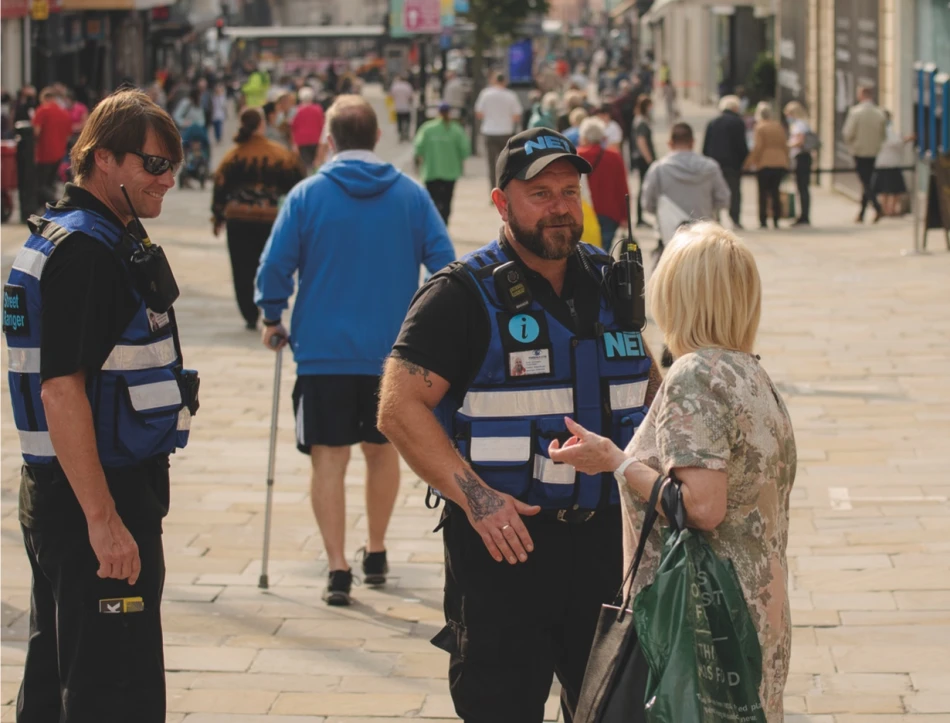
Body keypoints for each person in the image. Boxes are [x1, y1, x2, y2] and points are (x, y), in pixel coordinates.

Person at [377, 127, 663, 723]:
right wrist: (479, 501)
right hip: (507, 552)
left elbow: (650, 383)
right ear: (502, 203)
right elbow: (398, 407)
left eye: (569, 190)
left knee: (614, 711)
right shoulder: (460, 294)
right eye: (540, 194)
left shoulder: (611, 280)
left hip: (607, 550)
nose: (560, 206)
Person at [546, 221, 796, 723]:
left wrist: (615, 461)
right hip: (756, 610)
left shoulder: (695, 374)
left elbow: (702, 507)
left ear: (680, 296)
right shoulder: (751, 373)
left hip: (699, 624)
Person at [4, 89, 188, 722]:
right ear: (103, 159)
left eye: (173, 166)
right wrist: (104, 520)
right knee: (115, 689)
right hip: (98, 492)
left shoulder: (70, 235)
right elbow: (61, 390)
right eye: (153, 164)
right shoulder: (88, 253)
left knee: (60, 672)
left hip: (63, 489)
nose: (167, 180)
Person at [255, 95, 455, 606]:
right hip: (393, 354)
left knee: (328, 459)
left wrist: (272, 314)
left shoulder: (305, 196)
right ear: (375, 139)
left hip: (322, 352)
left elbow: (274, 266)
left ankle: (338, 566)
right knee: (381, 452)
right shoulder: (410, 196)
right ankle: (378, 549)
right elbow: (444, 262)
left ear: (328, 140)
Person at [212, 108, 304, 330]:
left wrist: (217, 216)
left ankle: (249, 314)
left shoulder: (232, 156)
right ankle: (266, 305)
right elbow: (297, 184)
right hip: (268, 218)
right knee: (267, 262)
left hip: (238, 218)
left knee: (241, 267)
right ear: (261, 125)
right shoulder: (279, 154)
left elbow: (220, 186)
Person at [641, 122, 730, 247]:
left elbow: (647, 204)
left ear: (670, 143)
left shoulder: (659, 169)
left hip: (670, 240)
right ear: (693, 142)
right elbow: (724, 199)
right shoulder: (710, 167)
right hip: (704, 238)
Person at [414, 101, 471, 225]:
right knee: (447, 200)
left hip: (431, 170)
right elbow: (465, 150)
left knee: (432, 200)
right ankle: (444, 223)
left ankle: (433, 224)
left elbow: (418, 148)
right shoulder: (457, 129)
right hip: (450, 171)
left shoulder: (427, 128)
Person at [577, 117, 630, 247]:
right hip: (609, 213)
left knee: (584, 253)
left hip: (584, 211)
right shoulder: (614, 156)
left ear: (584, 137)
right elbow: (622, 188)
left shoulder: (576, 156)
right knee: (604, 255)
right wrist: (625, 216)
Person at [702, 95, 749, 229]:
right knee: (734, 191)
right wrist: (743, 160)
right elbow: (741, 145)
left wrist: (705, 160)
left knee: (713, 191)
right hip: (732, 164)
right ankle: (735, 219)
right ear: (735, 107)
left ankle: (715, 217)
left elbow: (706, 145)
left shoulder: (712, 122)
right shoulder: (738, 122)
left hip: (714, 163)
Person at [842, 85, 887, 224]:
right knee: (867, 181)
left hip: (859, 151)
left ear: (861, 95)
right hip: (873, 151)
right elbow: (883, 135)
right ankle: (862, 213)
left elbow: (848, 133)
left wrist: (852, 145)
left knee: (866, 182)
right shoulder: (879, 113)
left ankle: (877, 207)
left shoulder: (856, 112)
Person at [474, 73, 524, 192]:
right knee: (506, 164)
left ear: (493, 80)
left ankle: (493, 190)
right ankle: (504, 189)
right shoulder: (511, 95)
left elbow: (479, 113)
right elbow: (517, 116)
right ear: (505, 81)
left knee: (491, 164)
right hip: (506, 132)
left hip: (489, 131)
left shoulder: (485, 94)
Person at [744, 102, 789, 230]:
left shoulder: (760, 127)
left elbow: (758, 147)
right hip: (780, 162)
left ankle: (763, 220)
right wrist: (786, 161)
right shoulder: (778, 126)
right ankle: (776, 219)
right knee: (775, 192)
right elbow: (784, 145)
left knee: (763, 193)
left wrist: (749, 162)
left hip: (764, 163)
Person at [32, 87, 73, 206]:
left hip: (43, 153)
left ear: (45, 98)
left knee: (41, 184)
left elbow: (36, 132)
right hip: (59, 153)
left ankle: (53, 201)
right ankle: (48, 204)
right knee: (51, 182)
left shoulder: (42, 111)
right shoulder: (64, 113)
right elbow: (68, 136)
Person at [873, 110, 914, 217]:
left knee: (887, 190)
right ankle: (888, 210)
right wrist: (907, 139)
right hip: (889, 164)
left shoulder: (880, 130)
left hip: (884, 163)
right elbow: (895, 142)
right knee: (892, 189)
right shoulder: (886, 131)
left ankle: (887, 209)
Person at [784, 101, 814, 227]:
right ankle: (803, 215)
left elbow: (799, 141)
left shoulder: (799, 125)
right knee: (801, 188)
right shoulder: (802, 124)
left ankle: (804, 216)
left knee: (802, 188)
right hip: (802, 157)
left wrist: (786, 145)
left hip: (801, 157)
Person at [630, 94, 656, 228]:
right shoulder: (641, 122)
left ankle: (641, 217)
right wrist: (649, 159)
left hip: (641, 158)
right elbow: (641, 141)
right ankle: (640, 217)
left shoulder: (640, 120)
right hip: (643, 160)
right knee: (643, 187)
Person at [291, 86, 325, 170]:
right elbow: (321, 125)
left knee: (306, 166)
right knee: (316, 164)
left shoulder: (296, 110)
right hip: (315, 139)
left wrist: (293, 143)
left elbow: (293, 127)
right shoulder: (318, 109)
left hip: (301, 141)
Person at [389, 75, 415, 142]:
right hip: (406, 107)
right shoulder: (407, 86)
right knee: (407, 121)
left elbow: (391, 96)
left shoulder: (395, 86)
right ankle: (406, 134)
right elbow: (411, 97)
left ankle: (400, 135)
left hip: (398, 107)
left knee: (399, 122)